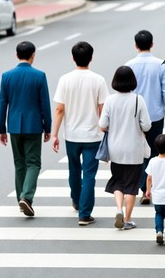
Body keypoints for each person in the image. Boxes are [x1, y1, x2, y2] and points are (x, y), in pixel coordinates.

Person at [51, 41, 109, 226]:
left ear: (72, 58)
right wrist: (107, 130)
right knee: (89, 174)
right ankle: (84, 213)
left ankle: (77, 200)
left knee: (74, 170)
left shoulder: (64, 79)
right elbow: (103, 109)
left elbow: (60, 109)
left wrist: (54, 134)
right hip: (92, 135)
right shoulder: (98, 79)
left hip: (71, 135)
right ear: (91, 58)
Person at [0, 41, 52, 217]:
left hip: (14, 126)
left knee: (19, 163)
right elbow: (45, 104)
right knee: (34, 163)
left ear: (16, 55)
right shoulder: (39, 76)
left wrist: (2, 129)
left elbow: (2, 105)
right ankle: (26, 197)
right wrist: (48, 127)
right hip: (34, 125)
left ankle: (21, 199)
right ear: (33, 55)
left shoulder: (6, 76)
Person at [99, 66, 151, 230]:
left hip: (115, 149)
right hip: (134, 150)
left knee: (118, 182)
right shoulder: (138, 99)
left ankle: (118, 209)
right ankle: (127, 219)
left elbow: (102, 125)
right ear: (132, 81)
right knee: (131, 186)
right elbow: (147, 126)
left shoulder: (110, 100)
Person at [126, 30, 165, 205]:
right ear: (152, 44)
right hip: (155, 115)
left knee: (138, 151)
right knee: (154, 152)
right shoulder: (160, 65)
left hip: (134, 116)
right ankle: (149, 188)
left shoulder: (129, 66)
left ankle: (141, 187)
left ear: (136, 45)